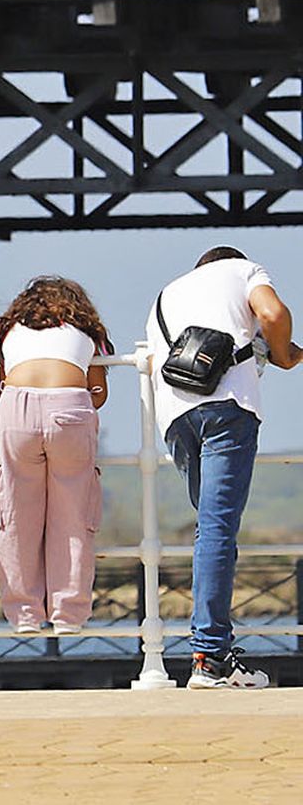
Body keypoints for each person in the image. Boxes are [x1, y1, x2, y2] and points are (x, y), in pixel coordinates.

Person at [147, 245, 302, 689]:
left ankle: (214, 650)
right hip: (227, 408)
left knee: (211, 531)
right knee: (217, 531)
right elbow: (272, 314)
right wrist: (284, 355)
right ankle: (211, 659)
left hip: (174, 417)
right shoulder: (244, 269)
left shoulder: (166, 293)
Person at [0, 277, 112, 635]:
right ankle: (68, 614)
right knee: (74, 514)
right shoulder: (86, 330)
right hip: (69, 405)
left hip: (17, 407)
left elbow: (3, 383)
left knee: (16, 515)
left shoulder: (10, 331)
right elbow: (97, 393)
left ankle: (23, 614)